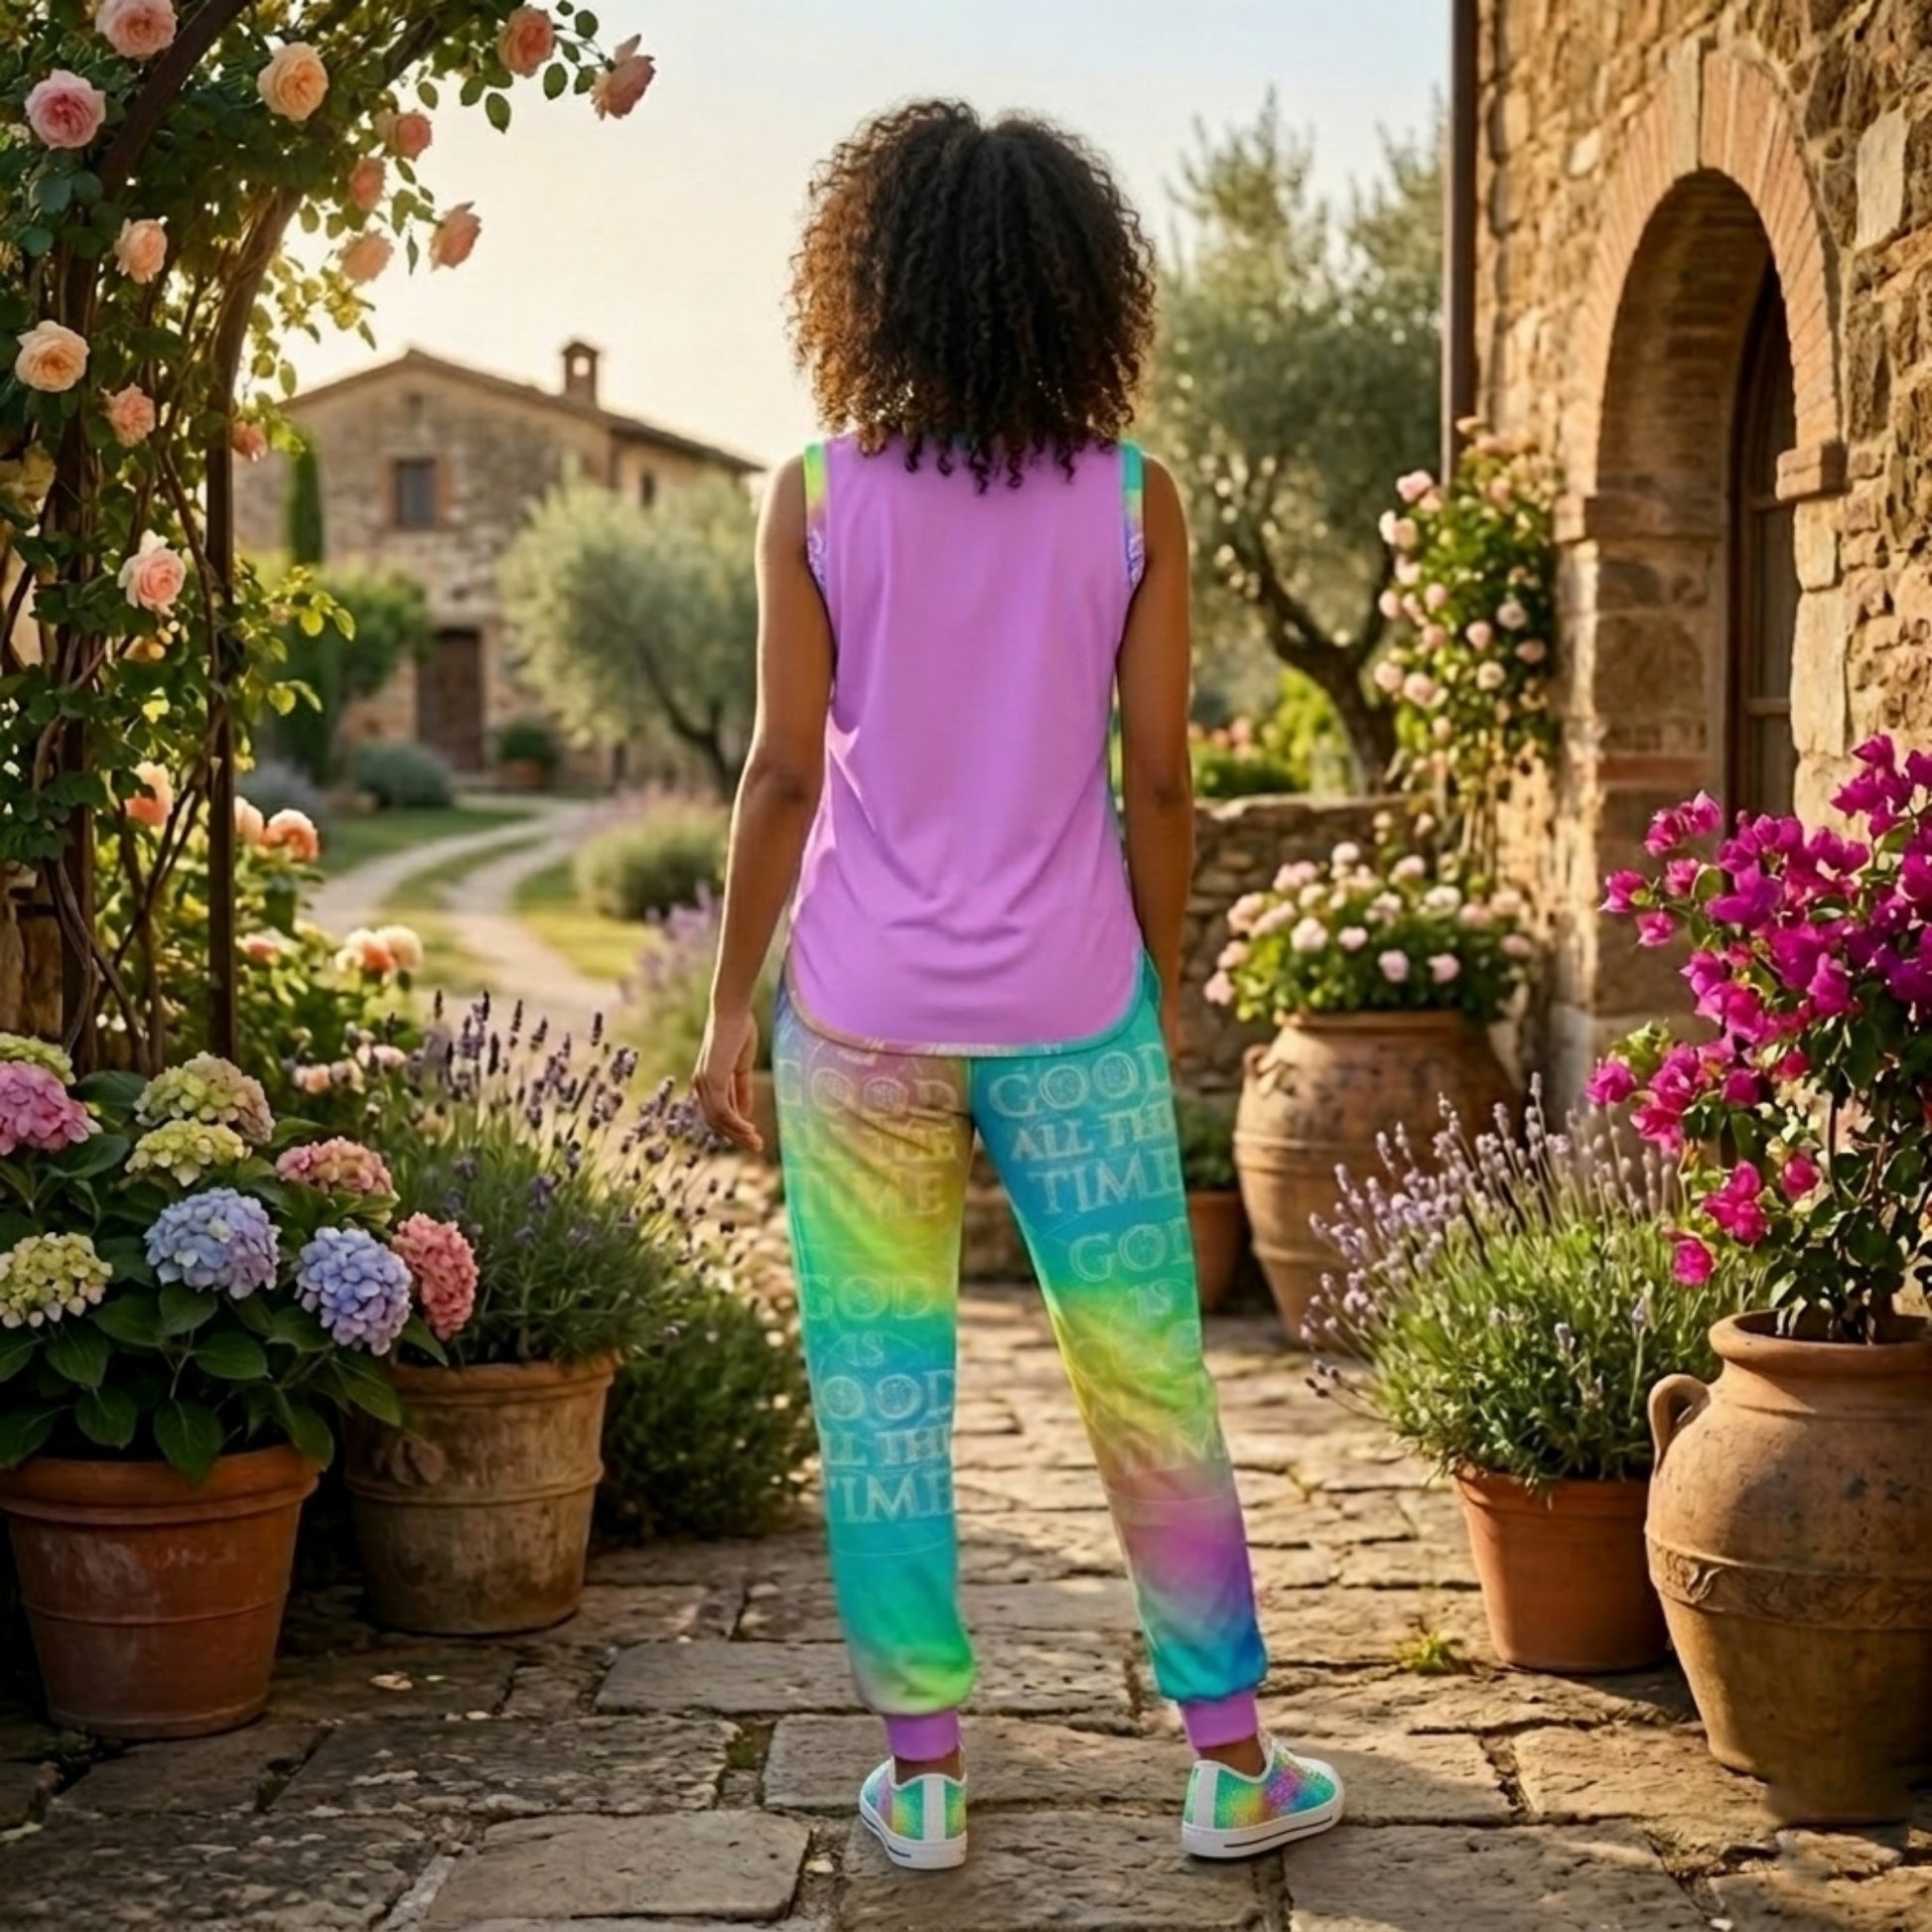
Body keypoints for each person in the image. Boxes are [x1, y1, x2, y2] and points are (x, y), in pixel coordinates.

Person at [693, 98, 1341, 1872]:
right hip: (1073, 1007)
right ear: (1076, 293)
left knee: (881, 1383)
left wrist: (724, 1005)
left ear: (874, 286)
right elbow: (1162, 781)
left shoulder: (815, 492)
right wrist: (1153, 974)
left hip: (854, 1013)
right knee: (1146, 1373)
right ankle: (1227, 1761)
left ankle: (921, 1774)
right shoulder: (1137, 498)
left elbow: (778, 775)